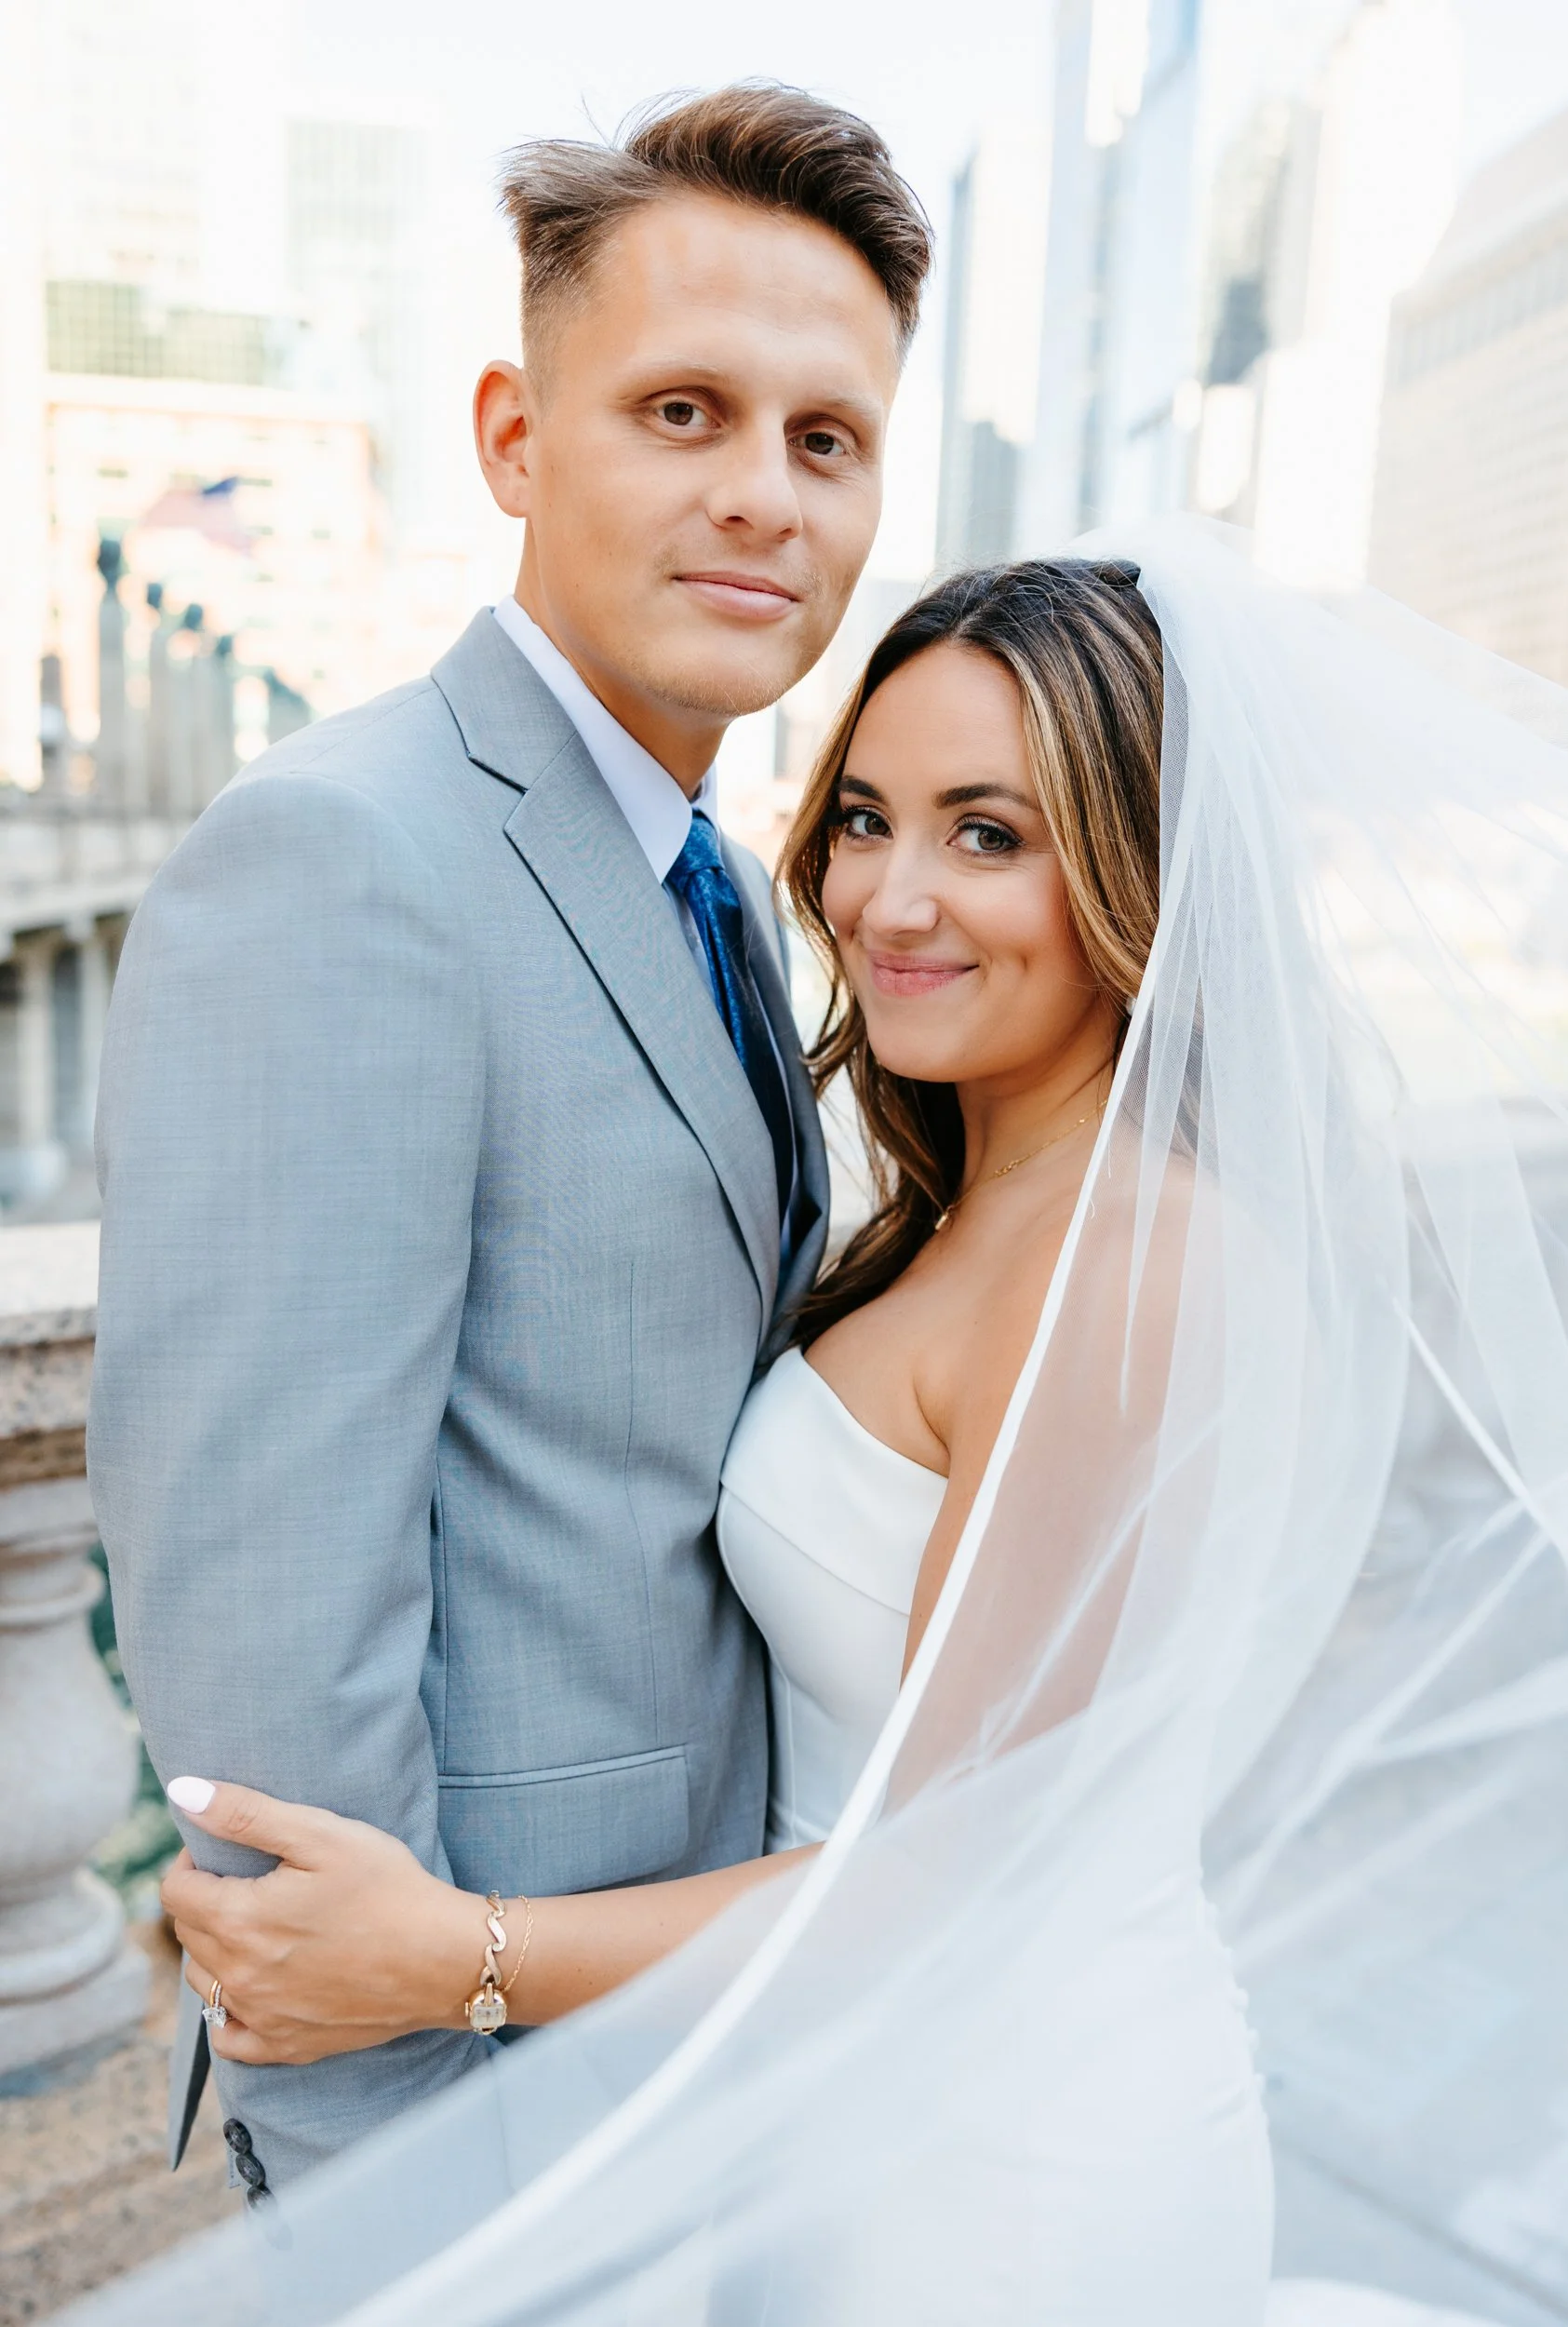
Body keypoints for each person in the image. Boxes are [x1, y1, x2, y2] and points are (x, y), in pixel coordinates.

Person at [124, 539, 1568, 2327]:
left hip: (1002, 2163)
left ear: (1141, 867)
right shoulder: (986, 1204)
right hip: (838, 2108)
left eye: (988, 834)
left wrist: (458, 1959)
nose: (891, 896)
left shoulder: (1132, 1264)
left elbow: (960, 1878)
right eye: (868, 818)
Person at [88, 83, 931, 2194]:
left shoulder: (727, 882)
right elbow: (266, 1633)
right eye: (682, 411)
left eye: (825, 439)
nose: (761, 496)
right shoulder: (339, 859)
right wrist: (386, 2180)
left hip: (673, 2042)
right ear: (513, 437)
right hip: (464, 2123)